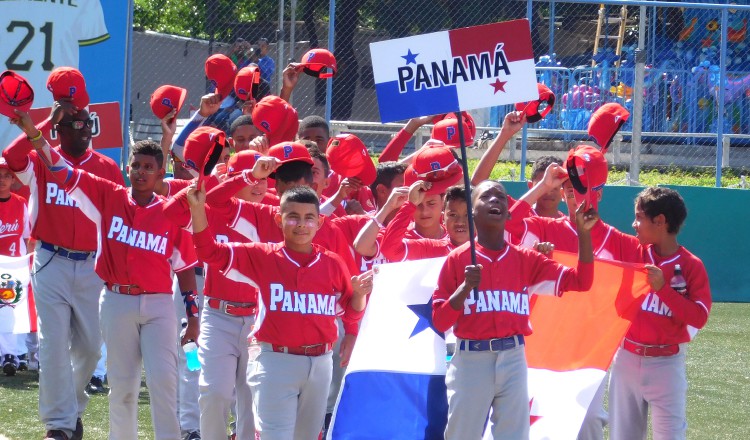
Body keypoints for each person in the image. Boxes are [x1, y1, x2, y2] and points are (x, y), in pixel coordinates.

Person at [12, 110, 200, 440]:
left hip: (158, 306)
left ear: (160, 176)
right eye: (136, 165)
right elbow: (60, 169)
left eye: (149, 167)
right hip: (115, 301)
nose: (141, 172)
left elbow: (184, 268)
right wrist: (36, 135)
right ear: (127, 168)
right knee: (122, 388)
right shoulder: (108, 196)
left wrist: (192, 317)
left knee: (162, 382)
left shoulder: (173, 212)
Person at [187, 181, 371, 439]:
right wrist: (197, 212)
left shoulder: (332, 262)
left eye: (309, 218)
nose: (301, 224)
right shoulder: (263, 256)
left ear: (319, 223)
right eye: (293, 217)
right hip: (275, 361)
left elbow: (351, 313)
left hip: (320, 363)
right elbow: (209, 252)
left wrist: (360, 295)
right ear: (278, 219)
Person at [432, 180, 598, 440]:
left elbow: (582, 281)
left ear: (509, 212)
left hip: (514, 356)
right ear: (473, 212)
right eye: (486, 197)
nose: (495, 200)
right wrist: (464, 289)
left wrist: (584, 234)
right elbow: (440, 320)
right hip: (471, 359)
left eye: (501, 197)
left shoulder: (526, 258)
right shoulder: (458, 259)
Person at [4, 99, 124, 440]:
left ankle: (70, 409)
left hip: (92, 266)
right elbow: (12, 158)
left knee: (89, 348)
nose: (85, 129)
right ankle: (59, 425)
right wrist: (42, 123)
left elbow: (119, 218)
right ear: (58, 128)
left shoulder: (106, 166)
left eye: (89, 124)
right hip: (50, 260)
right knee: (53, 344)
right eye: (76, 124)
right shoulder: (42, 160)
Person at [609, 187, 712, 440]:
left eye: (639, 217)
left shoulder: (690, 265)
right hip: (626, 359)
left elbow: (699, 317)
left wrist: (663, 290)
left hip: (666, 364)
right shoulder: (634, 251)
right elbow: (599, 233)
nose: (633, 224)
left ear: (660, 221)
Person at [0, 157, 30, 377]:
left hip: (14, 265)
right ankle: (10, 354)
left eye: (6, 175)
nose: (2, 180)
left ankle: (12, 354)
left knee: (9, 308)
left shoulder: (20, 203)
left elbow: (28, 237)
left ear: (13, 179)